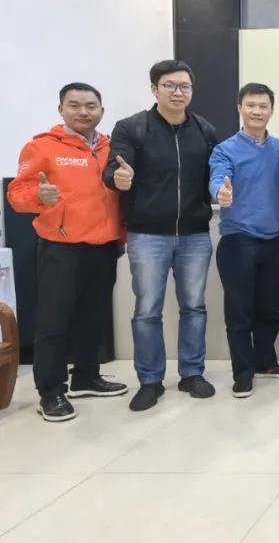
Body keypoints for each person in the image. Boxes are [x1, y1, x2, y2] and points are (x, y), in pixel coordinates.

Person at [8, 83, 126, 422]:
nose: (83, 112)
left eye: (90, 106)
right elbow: (16, 193)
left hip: (103, 246)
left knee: (93, 316)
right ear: (61, 110)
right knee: (53, 320)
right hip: (61, 246)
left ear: (101, 111)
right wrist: (38, 197)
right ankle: (50, 391)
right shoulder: (41, 146)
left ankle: (86, 376)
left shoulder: (111, 148)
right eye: (74, 105)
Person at [104, 60, 218, 412]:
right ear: (154, 89)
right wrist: (118, 179)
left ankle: (192, 374)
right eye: (169, 85)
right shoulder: (132, 128)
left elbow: (215, 176)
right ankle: (150, 380)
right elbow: (113, 170)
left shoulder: (204, 130)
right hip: (147, 235)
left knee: (194, 307)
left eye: (184, 86)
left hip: (195, 234)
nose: (178, 92)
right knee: (147, 310)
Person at [209, 83, 279, 399]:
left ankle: (265, 363)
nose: (257, 111)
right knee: (240, 312)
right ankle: (243, 373)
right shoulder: (225, 150)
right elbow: (218, 179)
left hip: (277, 240)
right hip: (239, 241)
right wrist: (220, 192)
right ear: (240, 108)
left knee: (270, 309)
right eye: (251, 105)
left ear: (271, 110)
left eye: (263, 106)